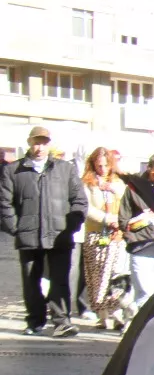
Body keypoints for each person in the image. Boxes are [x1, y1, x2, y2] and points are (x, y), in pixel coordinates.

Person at [0, 126, 87, 337]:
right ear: (29, 143)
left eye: (44, 142)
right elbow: (4, 203)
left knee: (60, 280)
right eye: (36, 142)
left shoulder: (65, 169)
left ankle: (61, 322)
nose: (40, 147)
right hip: (28, 235)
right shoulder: (13, 170)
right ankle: (35, 320)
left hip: (59, 235)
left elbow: (79, 201)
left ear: (50, 144)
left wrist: (72, 226)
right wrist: (16, 228)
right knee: (31, 281)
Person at [79, 147, 130, 330]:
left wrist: (119, 221)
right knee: (96, 276)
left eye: (106, 165)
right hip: (95, 234)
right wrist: (107, 219)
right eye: (98, 165)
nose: (102, 169)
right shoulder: (87, 184)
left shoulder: (119, 183)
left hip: (116, 235)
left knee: (114, 275)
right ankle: (102, 315)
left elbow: (126, 203)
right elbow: (86, 208)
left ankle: (116, 313)